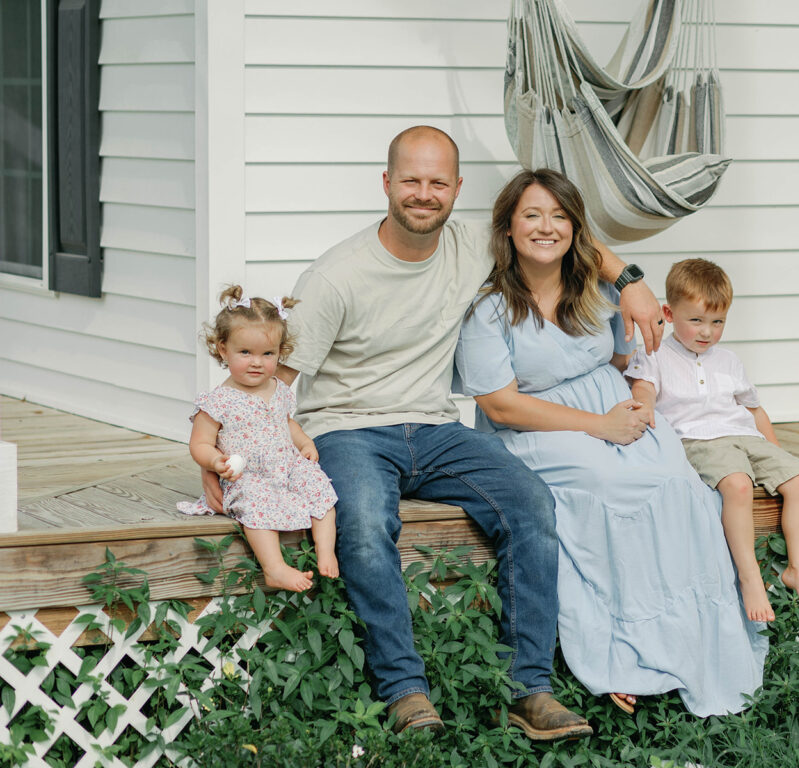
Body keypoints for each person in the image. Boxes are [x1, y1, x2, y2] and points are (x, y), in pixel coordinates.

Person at [202, 126, 665, 739]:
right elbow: (271, 384)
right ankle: (405, 691)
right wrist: (218, 457)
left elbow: (571, 237)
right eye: (412, 180)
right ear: (387, 183)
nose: (424, 194)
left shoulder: (473, 245)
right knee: (364, 527)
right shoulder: (336, 276)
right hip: (349, 430)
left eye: (437, 182)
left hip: (439, 428)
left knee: (530, 503)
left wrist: (631, 282)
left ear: (456, 189)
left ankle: (529, 689)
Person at [454, 169, 768, 718]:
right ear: (507, 228)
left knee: (680, 485)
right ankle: (627, 646)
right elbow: (499, 405)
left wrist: (636, 399)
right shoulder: (491, 309)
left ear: (578, 230)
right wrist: (596, 425)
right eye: (532, 215)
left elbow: (624, 361)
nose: (546, 227)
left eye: (560, 216)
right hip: (537, 427)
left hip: (613, 408)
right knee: (613, 484)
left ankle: (688, 642)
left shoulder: (596, 291)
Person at [627, 258, 799, 622]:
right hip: (698, 441)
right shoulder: (655, 355)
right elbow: (643, 389)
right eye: (696, 320)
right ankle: (749, 578)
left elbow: (754, 410)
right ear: (668, 313)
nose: (707, 332)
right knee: (738, 485)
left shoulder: (728, 360)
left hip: (743, 436)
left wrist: (773, 451)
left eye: (717, 322)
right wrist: (644, 407)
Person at [178, 285, 339, 592]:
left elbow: (287, 424)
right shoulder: (219, 401)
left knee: (319, 484)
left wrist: (304, 444)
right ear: (223, 350)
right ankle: (274, 567)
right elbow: (199, 443)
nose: (257, 362)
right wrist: (215, 461)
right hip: (247, 474)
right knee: (254, 501)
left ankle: (325, 549)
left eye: (268, 354)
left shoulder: (278, 389)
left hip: (285, 466)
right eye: (245, 353)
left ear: (280, 354)